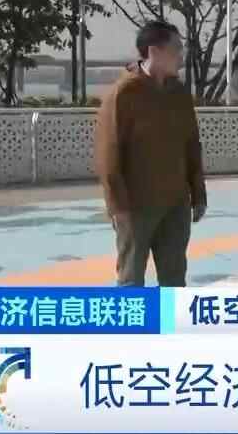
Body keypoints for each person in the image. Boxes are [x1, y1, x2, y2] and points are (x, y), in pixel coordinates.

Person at [94, 20, 207, 287]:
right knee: (131, 280)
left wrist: (198, 193)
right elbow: (108, 155)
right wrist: (117, 207)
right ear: (154, 51)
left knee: (174, 279)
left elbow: (192, 144)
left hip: (176, 204)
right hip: (135, 207)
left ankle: (171, 317)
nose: (181, 55)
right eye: (176, 48)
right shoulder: (124, 93)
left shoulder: (179, 93)